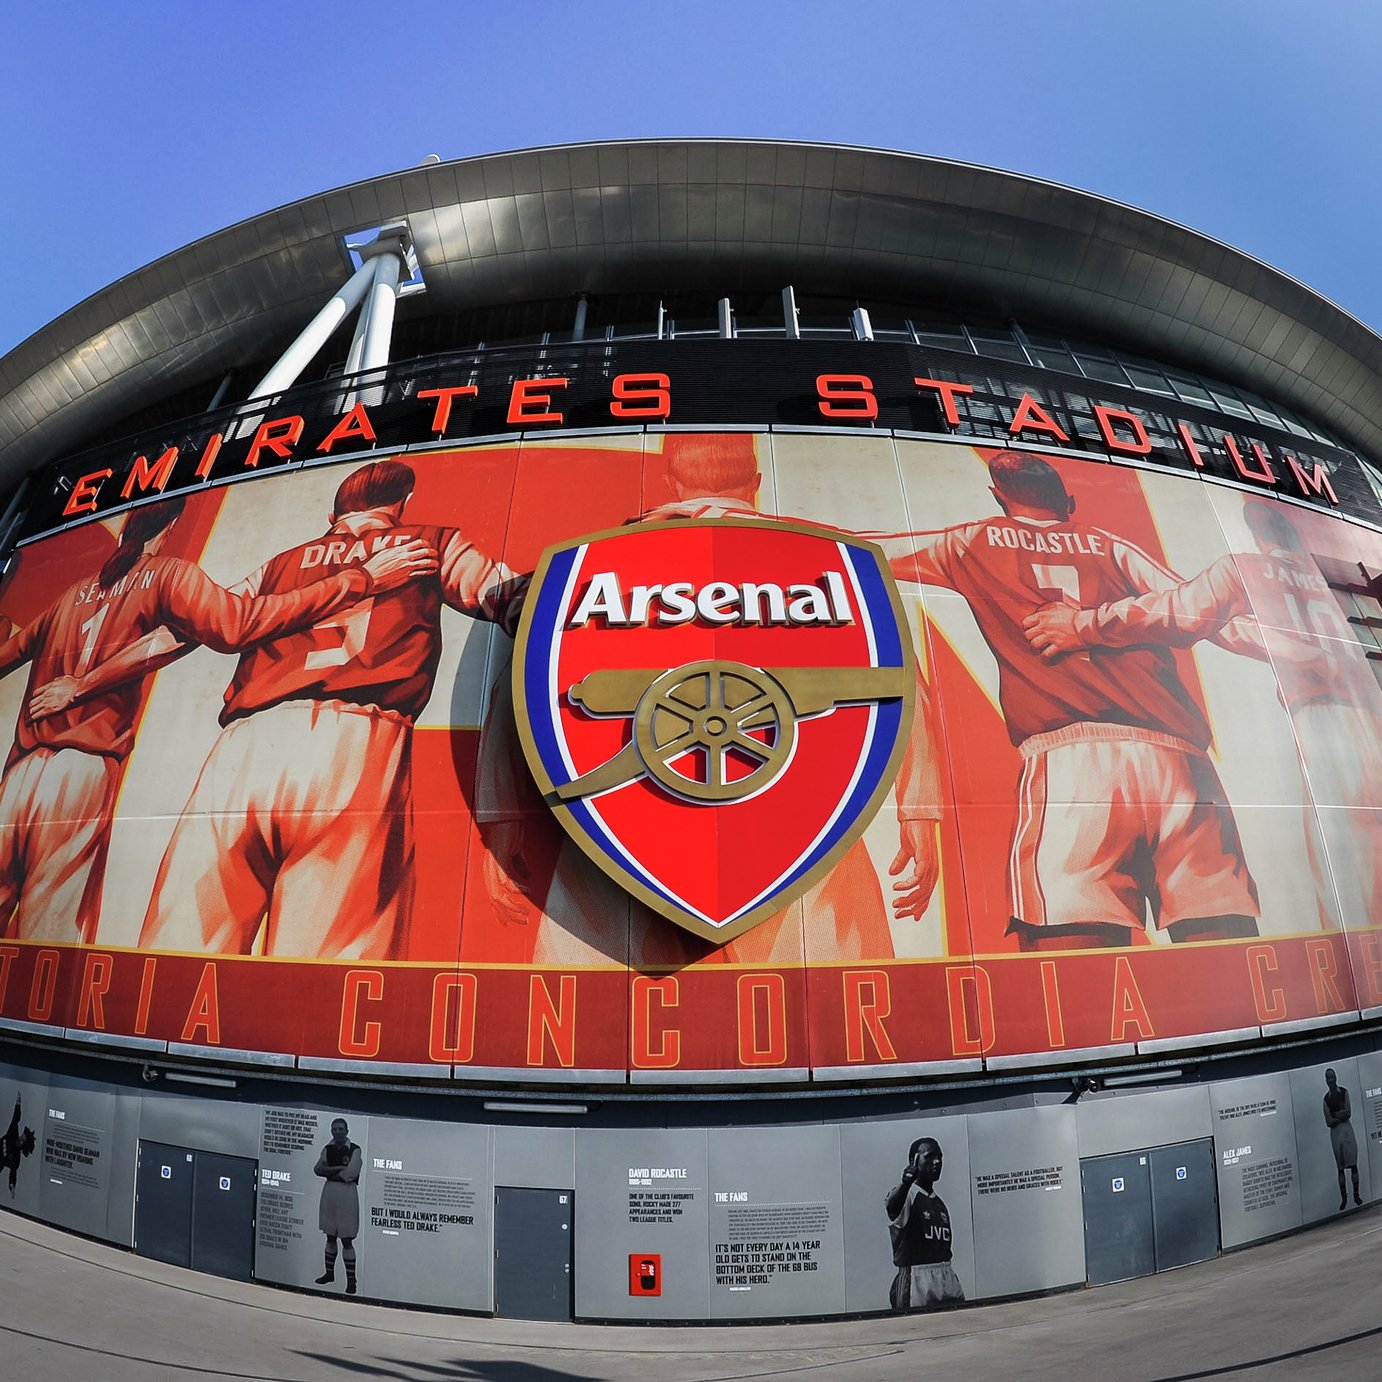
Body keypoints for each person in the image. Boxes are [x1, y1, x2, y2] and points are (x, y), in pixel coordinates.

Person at [478, 432, 944, 966]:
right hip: (800, 830)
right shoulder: (829, 559)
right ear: (756, 480)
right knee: (823, 1012)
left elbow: (519, 686)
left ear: (671, 480)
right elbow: (899, 682)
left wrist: (502, 818)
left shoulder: (590, 561)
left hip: (619, 836)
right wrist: (920, 813)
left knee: (595, 1015)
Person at [124, 459, 525, 960]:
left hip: (245, 745)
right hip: (356, 742)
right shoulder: (430, 542)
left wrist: (82, 682)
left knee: (178, 947)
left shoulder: (282, 563)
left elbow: (191, 630)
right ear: (403, 503)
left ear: (334, 512)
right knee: (327, 967)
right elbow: (506, 595)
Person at [0, 497, 435, 943]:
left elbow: (8, 654)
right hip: (80, 767)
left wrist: (71, 676)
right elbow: (236, 626)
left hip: (16, 774)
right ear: (169, 526)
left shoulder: (70, 596)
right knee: (46, 938)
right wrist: (361, 579)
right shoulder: (170, 574)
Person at [873, 451, 1261, 950]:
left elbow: (860, 548)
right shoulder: (1112, 546)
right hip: (1183, 761)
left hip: (1075, 759)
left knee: (1072, 940)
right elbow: (1203, 615)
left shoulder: (969, 540)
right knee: (1220, 929)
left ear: (998, 498)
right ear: (1069, 502)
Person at [1022, 497, 1382, 930]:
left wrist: (1085, 625)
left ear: (1258, 535)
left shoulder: (1246, 567)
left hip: (1322, 716)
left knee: (1344, 855)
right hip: (1370, 708)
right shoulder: (1331, 578)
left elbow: (1181, 611)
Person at [885, 1136, 964, 1310]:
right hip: (916, 1277)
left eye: (940, 1157)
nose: (937, 1161)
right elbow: (892, 1207)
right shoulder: (907, 1195)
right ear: (914, 1160)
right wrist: (905, 1184)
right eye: (929, 1156)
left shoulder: (940, 1203)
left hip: (946, 1273)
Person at [313, 1118, 362, 1294]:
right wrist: (339, 1167)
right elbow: (318, 1169)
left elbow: (350, 1174)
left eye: (341, 1129)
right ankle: (329, 1274)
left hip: (347, 1194)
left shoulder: (355, 1149)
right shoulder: (328, 1148)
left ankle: (351, 1281)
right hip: (329, 1195)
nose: (338, 1132)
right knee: (330, 1235)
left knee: (346, 1238)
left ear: (347, 1130)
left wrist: (330, 1171)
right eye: (334, 1129)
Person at [1323, 1068, 1363, 1210]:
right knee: (1340, 1168)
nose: (1330, 1080)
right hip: (1335, 1135)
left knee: (1353, 1164)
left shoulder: (1344, 1092)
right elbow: (1328, 1121)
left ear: (1336, 1077)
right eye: (1328, 1078)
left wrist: (1336, 1115)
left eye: (1332, 1077)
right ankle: (1344, 1198)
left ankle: (1356, 1195)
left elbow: (1348, 1113)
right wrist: (1339, 1115)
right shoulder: (1326, 1099)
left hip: (1347, 1131)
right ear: (1326, 1080)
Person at [0, 1093, 36, 1199]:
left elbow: (13, 1174)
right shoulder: (13, 1133)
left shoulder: (16, 1159)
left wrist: (12, 1186)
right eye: (21, 1137)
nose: (19, 1139)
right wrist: (18, 1104)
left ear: (22, 1146)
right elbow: (15, 1119)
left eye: (22, 1141)